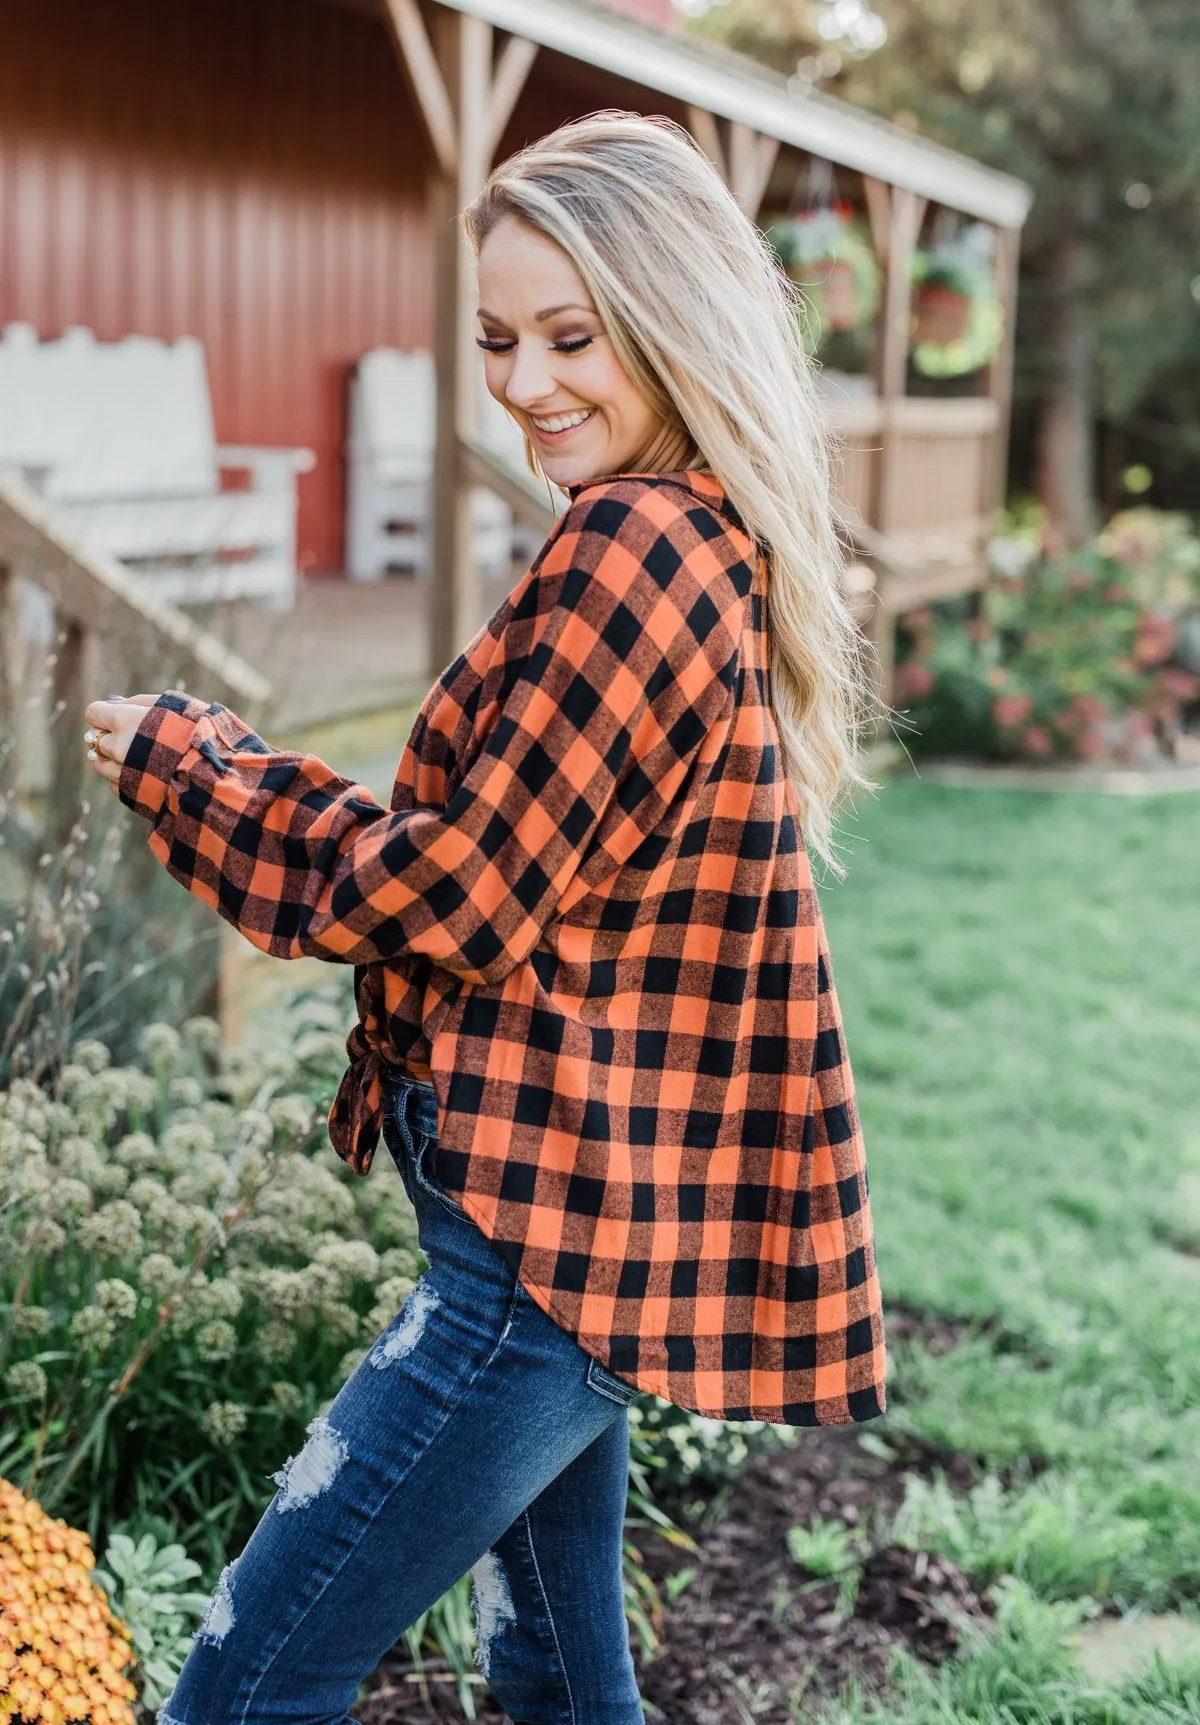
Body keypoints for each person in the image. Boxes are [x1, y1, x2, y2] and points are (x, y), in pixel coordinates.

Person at [82, 111, 885, 1725]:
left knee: (242, 1687)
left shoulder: (633, 546)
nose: (523, 386)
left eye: (572, 337)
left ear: (675, 322)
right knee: (562, 1682)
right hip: (574, 1227)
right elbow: (502, 855)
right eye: (500, 340)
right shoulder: (700, 537)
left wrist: (203, 777)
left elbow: (460, 891)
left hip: (538, 1256)